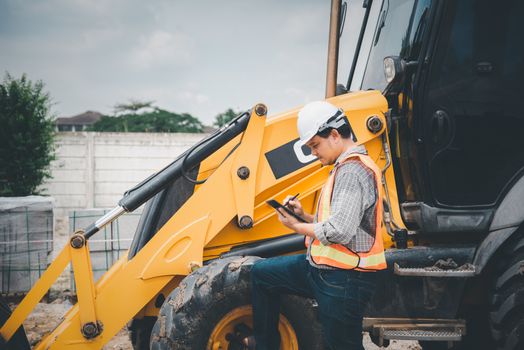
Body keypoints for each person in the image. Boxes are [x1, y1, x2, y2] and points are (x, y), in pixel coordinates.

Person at [250, 100, 387, 350]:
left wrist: (295, 226)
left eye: (315, 145)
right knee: (261, 275)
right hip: (324, 270)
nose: (313, 153)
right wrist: (304, 216)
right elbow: (341, 222)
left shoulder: (352, 171)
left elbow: (339, 231)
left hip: (345, 280)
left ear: (334, 135)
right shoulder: (343, 167)